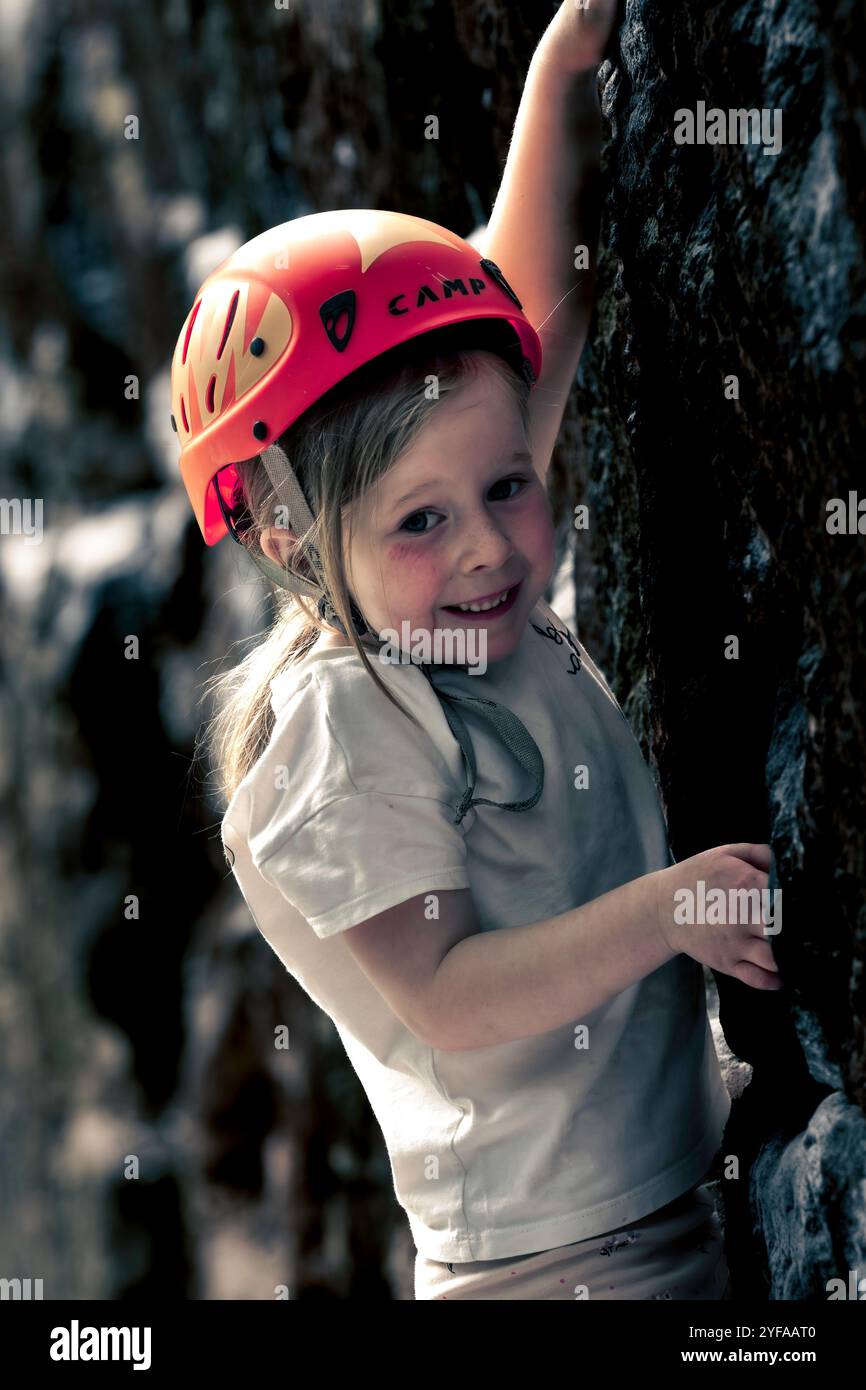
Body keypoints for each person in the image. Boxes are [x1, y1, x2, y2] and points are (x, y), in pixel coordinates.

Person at [169, 6, 782, 1302]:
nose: (490, 548)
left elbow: (527, 308)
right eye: (422, 520)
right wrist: (668, 909)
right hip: (558, 1264)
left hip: (642, 1204)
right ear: (287, 534)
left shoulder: (444, 587)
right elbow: (446, 994)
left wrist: (563, 70)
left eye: (510, 484)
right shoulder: (349, 724)